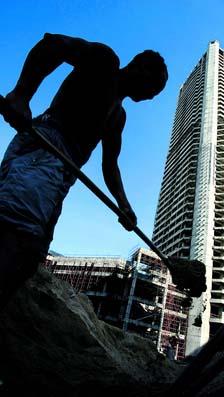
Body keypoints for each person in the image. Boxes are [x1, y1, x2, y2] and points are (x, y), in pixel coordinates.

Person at [0, 33, 168, 311]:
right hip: (45, 150)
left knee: (33, 251)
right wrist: (21, 94)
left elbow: (109, 164)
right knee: (16, 232)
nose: (151, 96)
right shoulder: (105, 62)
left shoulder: (117, 116)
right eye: (154, 87)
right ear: (140, 67)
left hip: (63, 173)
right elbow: (52, 45)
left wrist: (124, 205)